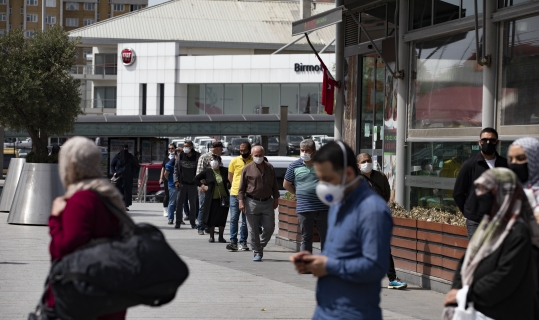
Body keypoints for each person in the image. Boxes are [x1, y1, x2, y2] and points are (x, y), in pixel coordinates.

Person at [290, 141, 393, 320]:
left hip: (355, 312)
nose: (322, 185)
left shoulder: (372, 210)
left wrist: (328, 266)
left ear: (349, 173)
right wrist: (314, 261)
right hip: (325, 309)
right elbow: (339, 255)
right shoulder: (337, 203)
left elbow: (376, 267)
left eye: (327, 179)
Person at [48, 136, 127, 319]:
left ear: (70, 166)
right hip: (110, 295)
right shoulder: (109, 195)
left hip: (83, 299)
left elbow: (65, 250)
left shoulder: (81, 200)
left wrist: (55, 220)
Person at [443, 168, 538, 320]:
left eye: (486, 190)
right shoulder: (487, 225)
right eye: (478, 189)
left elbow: (506, 277)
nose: (479, 195)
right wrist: (457, 289)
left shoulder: (519, 232)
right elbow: (466, 260)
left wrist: (465, 294)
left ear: (503, 194)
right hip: (476, 309)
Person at [357, 152, 407, 290]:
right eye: (363, 161)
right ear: (358, 164)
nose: (366, 163)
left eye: (368, 160)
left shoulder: (379, 176)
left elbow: (386, 193)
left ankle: (392, 279)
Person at [453, 128, 508, 239]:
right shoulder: (470, 165)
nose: (488, 143)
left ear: (497, 143)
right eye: (484, 140)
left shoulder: (505, 164)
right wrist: (469, 213)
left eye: (492, 140)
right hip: (476, 222)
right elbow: (458, 193)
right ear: (479, 142)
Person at [283, 139, 328, 255]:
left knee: (326, 236)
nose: (304, 153)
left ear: (314, 151)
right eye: (302, 150)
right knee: (306, 236)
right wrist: (298, 193)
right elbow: (286, 184)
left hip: (323, 207)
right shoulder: (294, 165)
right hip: (304, 207)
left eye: (307, 151)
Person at [238, 145, 279, 261]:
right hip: (251, 202)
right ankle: (257, 252)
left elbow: (275, 185)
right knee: (253, 229)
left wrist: (276, 199)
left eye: (261, 155)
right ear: (252, 155)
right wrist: (241, 201)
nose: (259, 157)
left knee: (270, 227)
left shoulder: (270, 168)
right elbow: (241, 188)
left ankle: (259, 245)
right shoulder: (247, 169)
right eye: (256, 155)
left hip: (267, 202)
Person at [194, 154, 230, 243]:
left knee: (222, 217)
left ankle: (221, 237)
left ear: (219, 161)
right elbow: (195, 179)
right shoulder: (207, 171)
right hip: (211, 199)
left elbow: (231, 180)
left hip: (223, 199)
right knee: (211, 218)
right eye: (211, 159)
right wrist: (202, 186)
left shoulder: (225, 170)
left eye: (215, 159)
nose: (213, 161)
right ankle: (211, 236)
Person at [226, 141, 253, 252]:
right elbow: (230, 177)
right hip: (235, 194)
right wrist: (236, 187)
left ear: (249, 150)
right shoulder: (234, 161)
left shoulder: (253, 161)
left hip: (249, 194)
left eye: (244, 150)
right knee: (233, 218)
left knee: (245, 220)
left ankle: (243, 242)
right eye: (241, 150)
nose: (242, 152)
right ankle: (233, 241)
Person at [196, 141, 224, 235]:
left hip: (215, 188)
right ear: (216, 148)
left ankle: (208, 227)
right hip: (205, 187)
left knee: (212, 208)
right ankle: (200, 227)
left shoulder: (218, 158)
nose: (222, 150)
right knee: (203, 207)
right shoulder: (204, 157)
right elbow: (199, 172)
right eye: (221, 148)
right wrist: (202, 186)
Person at [174, 140, 200, 229]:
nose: (185, 148)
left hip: (192, 184)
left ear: (191, 147)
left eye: (187, 146)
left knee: (193, 204)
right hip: (182, 184)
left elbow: (199, 170)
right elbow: (176, 169)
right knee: (179, 204)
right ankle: (178, 222)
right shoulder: (181, 155)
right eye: (184, 146)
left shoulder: (197, 156)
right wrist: (176, 181)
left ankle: (193, 222)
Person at [110, 144, 140, 211]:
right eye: (124, 149)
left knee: (126, 191)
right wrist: (114, 172)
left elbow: (136, 166)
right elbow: (112, 165)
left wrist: (132, 173)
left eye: (126, 149)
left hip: (128, 177)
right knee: (119, 191)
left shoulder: (130, 157)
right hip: (119, 177)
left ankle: (125, 205)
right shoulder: (117, 157)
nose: (125, 150)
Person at [160, 143, 176, 217]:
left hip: (176, 179)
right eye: (169, 148)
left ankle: (173, 209)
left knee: (176, 195)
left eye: (172, 148)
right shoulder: (166, 158)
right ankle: (165, 210)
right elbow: (163, 168)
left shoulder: (177, 158)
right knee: (167, 195)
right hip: (167, 179)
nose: (171, 150)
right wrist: (161, 178)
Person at [164, 150, 178, 225]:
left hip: (181, 185)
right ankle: (170, 219)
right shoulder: (170, 163)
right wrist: (170, 181)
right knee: (172, 202)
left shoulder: (182, 162)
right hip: (172, 185)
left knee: (179, 203)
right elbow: (166, 175)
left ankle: (179, 219)